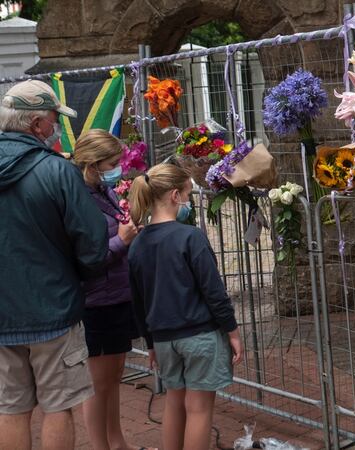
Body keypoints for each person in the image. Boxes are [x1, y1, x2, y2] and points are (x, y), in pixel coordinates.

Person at [0, 80, 108, 450]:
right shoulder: (57, 171)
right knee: (58, 406)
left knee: (11, 408)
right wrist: (81, 278)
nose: (55, 128)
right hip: (53, 309)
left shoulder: (52, 168)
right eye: (52, 120)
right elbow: (92, 242)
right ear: (35, 125)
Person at [127, 163, 243, 450]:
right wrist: (232, 331)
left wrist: (150, 342)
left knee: (174, 402)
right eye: (189, 195)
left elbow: (138, 300)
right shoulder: (190, 237)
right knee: (199, 408)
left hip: (164, 338)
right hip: (199, 334)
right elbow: (213, 291)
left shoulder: (138, 244)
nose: (189, 202)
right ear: (175, 196)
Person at [72, 129, 153, 450]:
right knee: (98, 385)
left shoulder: (101, 191)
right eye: (111, 163)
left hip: (117, 296)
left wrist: (130, 227)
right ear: (92, 164)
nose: (117, 168)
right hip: (96, 303)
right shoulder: (78, 199)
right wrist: (122, 240)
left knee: (114, 378)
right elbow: (85, 258)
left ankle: (117, 440)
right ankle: (100, 445)